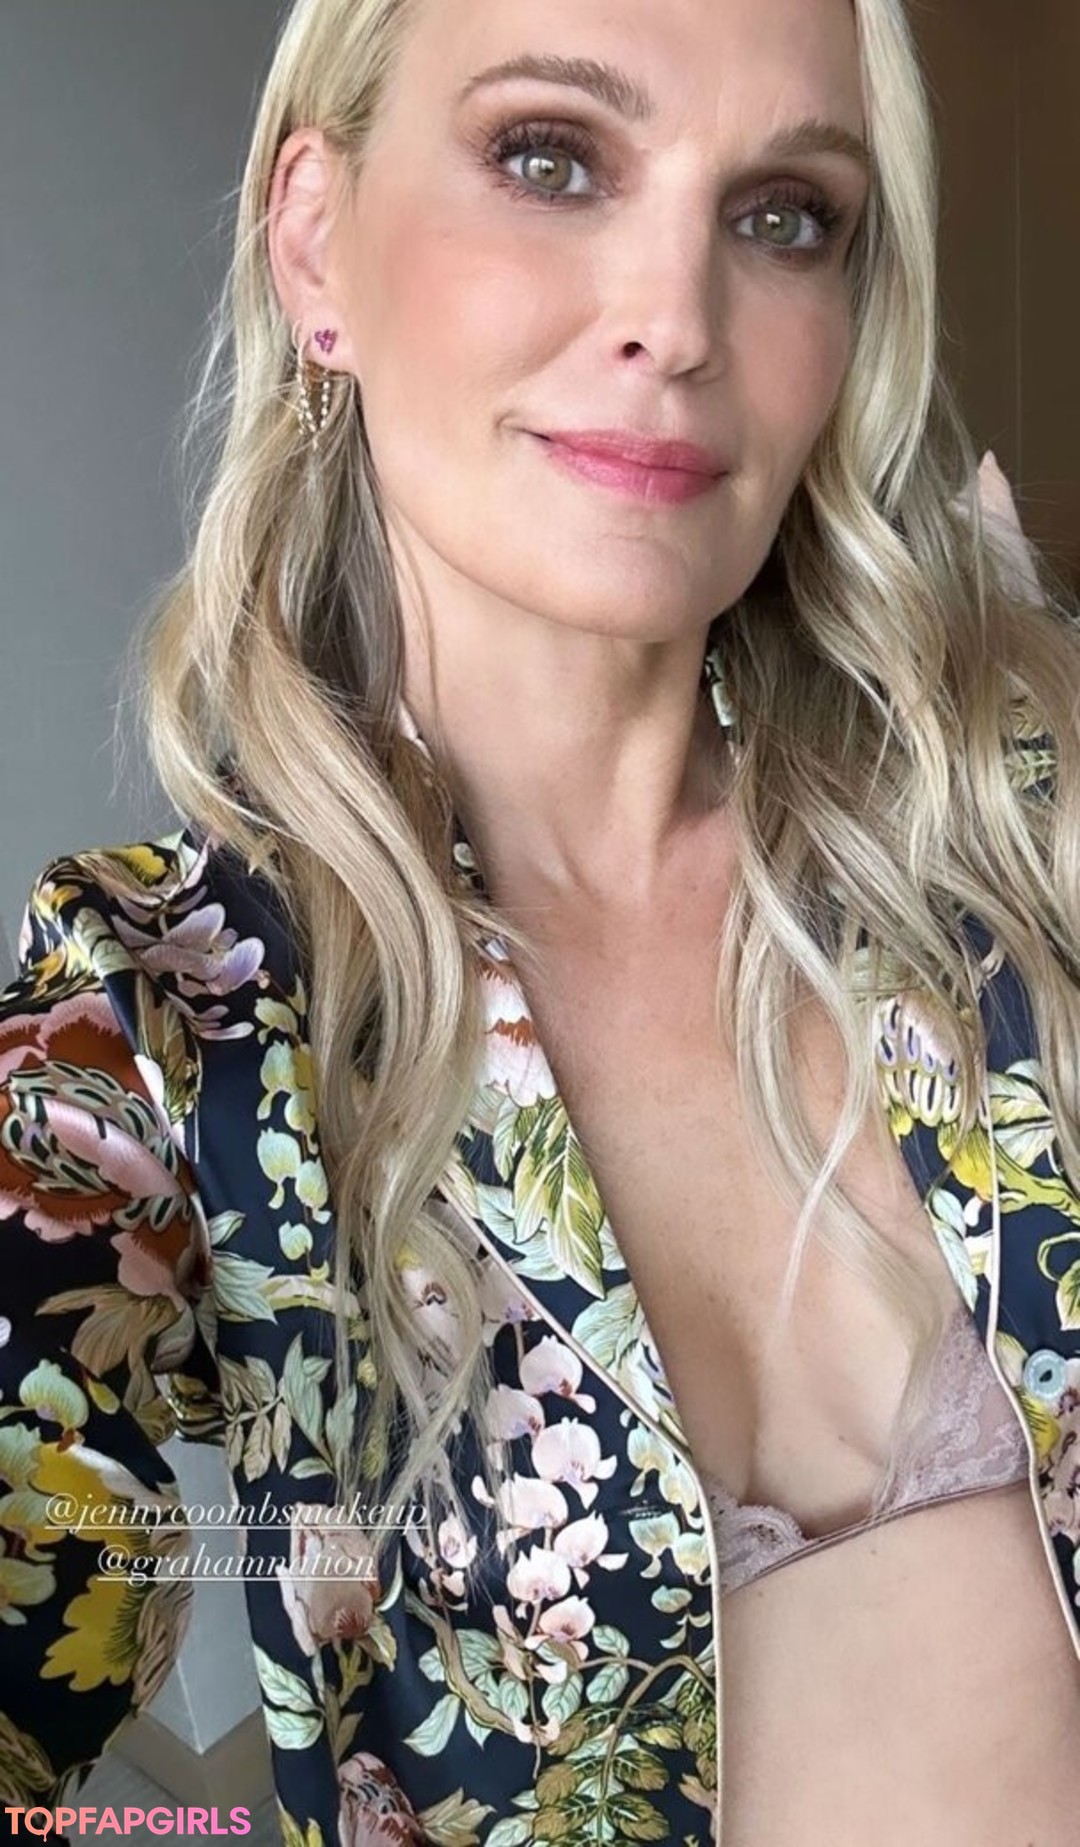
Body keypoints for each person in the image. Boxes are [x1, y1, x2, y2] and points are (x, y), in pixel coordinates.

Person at [2, 0, 1078, 1840]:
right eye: (550, 158)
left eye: (784, 215)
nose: (678, 314)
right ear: (316, 240)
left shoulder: (1001, 830)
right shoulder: (164, 1027)